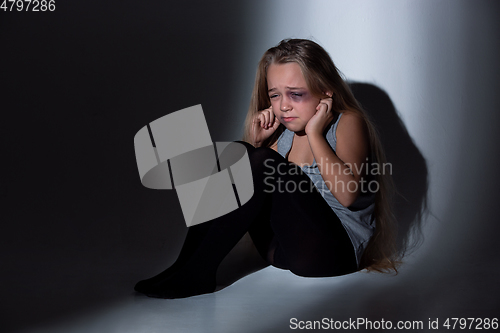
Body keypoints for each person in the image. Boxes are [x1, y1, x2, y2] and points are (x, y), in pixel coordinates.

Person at [134, 38, 399, 299]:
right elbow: (251, 199)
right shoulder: (282, 134)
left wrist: (315, 134)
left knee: (258, 160)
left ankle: (195, 273)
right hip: (282, 250)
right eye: (275, 95)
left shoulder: (347, 122)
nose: (283, 106)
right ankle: (184, 266)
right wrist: (256, 145)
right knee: (238, 153)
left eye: (296, 94)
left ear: (326, 91)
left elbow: (347, 195)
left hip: (332, 253)